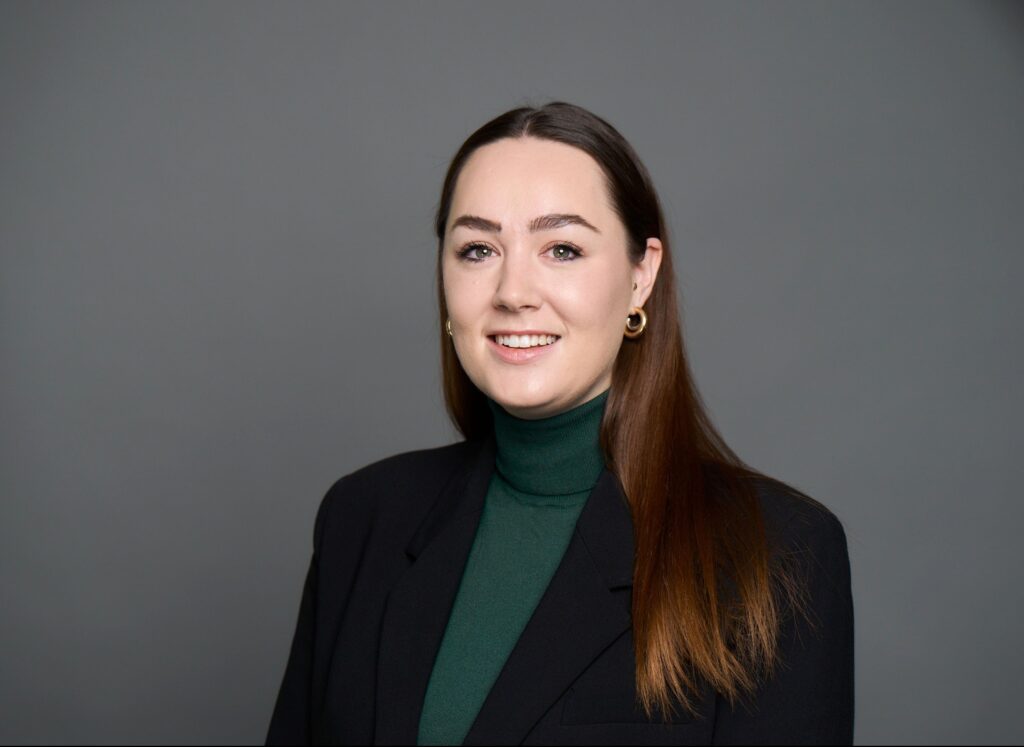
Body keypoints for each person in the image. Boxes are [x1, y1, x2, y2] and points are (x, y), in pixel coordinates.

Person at [265, 101, 854, 746]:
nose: (513, 291)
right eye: (478, 249)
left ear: (640, 276)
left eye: (563, 248)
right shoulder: (361, 518)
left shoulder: (775, 554)